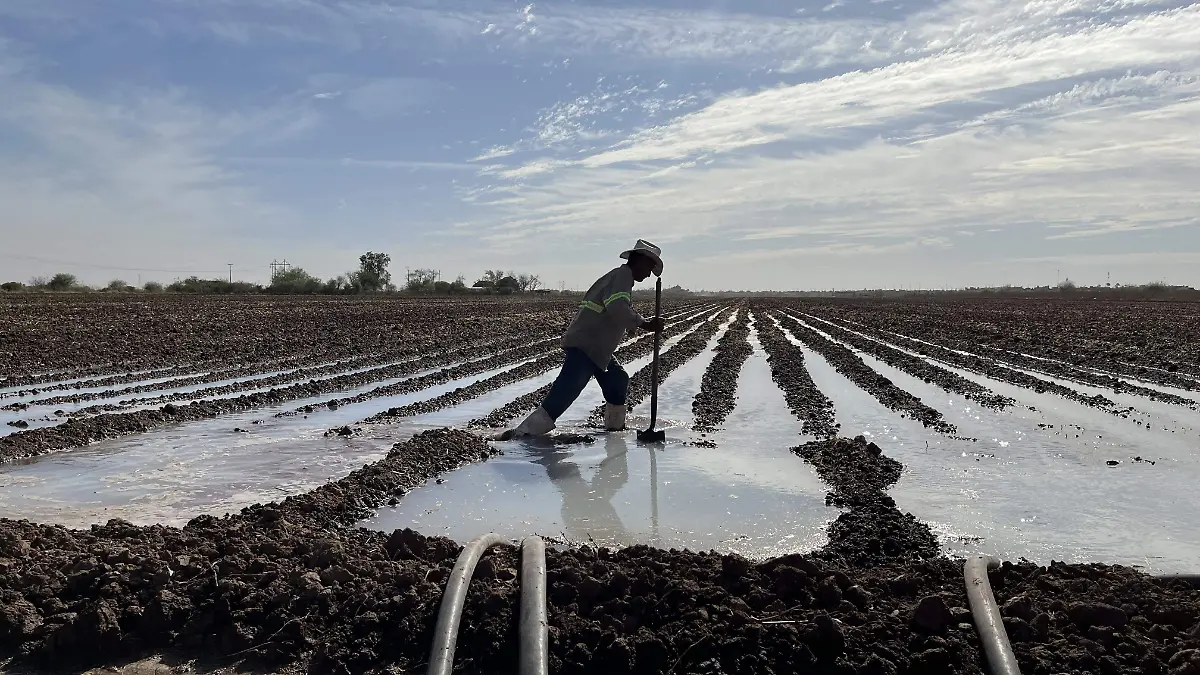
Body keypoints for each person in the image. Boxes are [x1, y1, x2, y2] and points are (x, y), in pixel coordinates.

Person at [499, 240, 665, 439]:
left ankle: (615, 430)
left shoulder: (618, 277)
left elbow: (613, 307)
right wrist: (644, 323)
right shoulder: (622, 276)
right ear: (639, 261)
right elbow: (617, 307)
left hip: (597, 348)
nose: (648, 274)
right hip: (587, 345)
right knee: (566, 390)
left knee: (617, 380)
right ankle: (524, 433)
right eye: (649, 267)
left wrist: (630, 325)